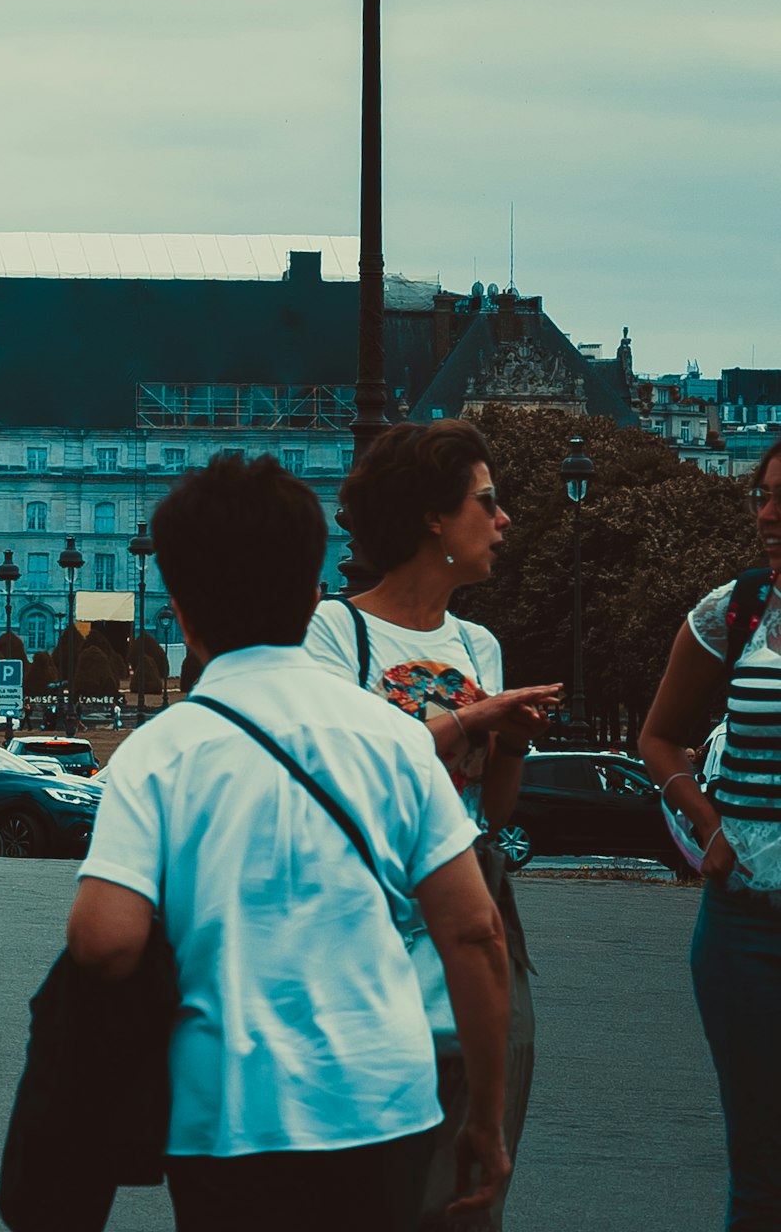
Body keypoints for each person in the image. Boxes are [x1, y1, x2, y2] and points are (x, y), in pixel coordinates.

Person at [69, 450, 510, 1231]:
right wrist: (486, 1114)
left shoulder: (158, 753)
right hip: (385, 1102)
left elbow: (105, 940)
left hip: (227, 1111)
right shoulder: (398, 741)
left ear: (181, 612)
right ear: (313, 596)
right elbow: (475, 933)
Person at [308, 420, 558, 1232]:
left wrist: (509, 742)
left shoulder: (479, 644)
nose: (504, 519)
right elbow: (343, 776)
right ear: (432, 517)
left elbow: (493, 813)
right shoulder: (334, 632)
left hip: (475, 910)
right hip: (369, 931)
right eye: (487, 501)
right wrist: (473, 718)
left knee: (466, 1188)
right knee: (368, 1187)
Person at [638, 440, 781, 1230]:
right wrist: (709, 825)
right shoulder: (736, 610)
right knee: (761, 1170)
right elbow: (658, 738)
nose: (768, 515)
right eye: (762, 496)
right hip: (745, 927)